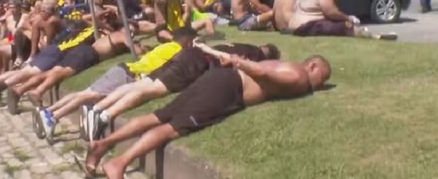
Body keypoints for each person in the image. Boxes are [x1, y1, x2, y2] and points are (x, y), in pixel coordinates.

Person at [84, 54, 331, 178]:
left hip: (219, 78)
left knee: (159, 116)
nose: (320, 84)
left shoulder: (285, 63)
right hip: (227, 88)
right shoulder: (299, 76)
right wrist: (240, 63)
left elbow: (266, 72)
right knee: (173, 128)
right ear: (313, 66)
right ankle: (120, 162)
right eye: (323, 77)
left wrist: (238, 64)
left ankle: (103, 145)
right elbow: (265, 75)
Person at [84, 40, 280, 142]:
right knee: (151, 90)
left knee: (142, 85)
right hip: (195, 63)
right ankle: (104, 117)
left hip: (188, 55)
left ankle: (98, 108)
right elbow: (229, 59)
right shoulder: (253, 54)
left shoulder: (242, 44)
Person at [33, 27, 198, 141]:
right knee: (88, 95)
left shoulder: (166, 46)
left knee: (85, 93)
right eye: (192, 41)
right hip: (129, 75)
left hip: (124, 70)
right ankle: (53, 117)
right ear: (187, 40)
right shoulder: (177, 50)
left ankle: (49, 112)